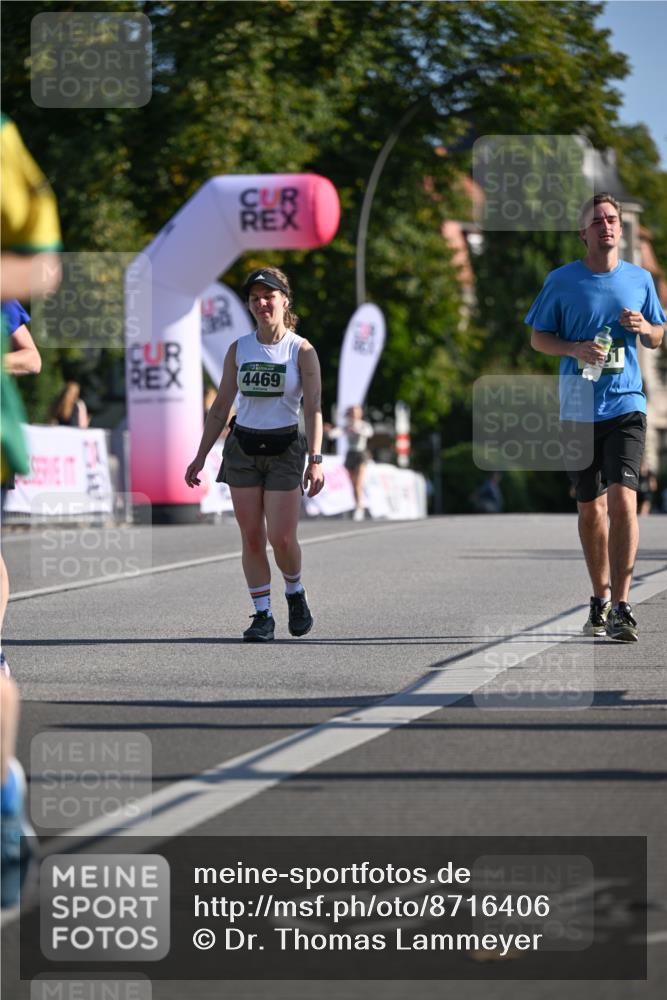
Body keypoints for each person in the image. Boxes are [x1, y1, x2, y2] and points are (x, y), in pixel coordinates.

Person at [526, 192, 665, 642]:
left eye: (612, 219)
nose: (606, 225)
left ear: (620, 230)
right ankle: (599, 598)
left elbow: (659, 335)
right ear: (583, 232)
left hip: (626, 403)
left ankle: (623, 605)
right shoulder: (562, 281)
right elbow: (538, 338)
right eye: (597, 220)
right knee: (591, 509)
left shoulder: (640, 279)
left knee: (625, 499)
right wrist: (574, 348)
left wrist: (645, 329)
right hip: (578, 407)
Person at [185, 267, 325, 642]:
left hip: (285, 450)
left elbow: (313, 408)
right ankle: (262, 615)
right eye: (254, 298)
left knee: (281, 538)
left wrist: (315, 459)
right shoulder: (240, 348)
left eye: (269, 296)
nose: (262, 303)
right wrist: (200, 456)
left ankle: (295, 593)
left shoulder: (302, 350)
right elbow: (220, 408)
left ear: (284, 300)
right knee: (251, 537)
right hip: (243, 447)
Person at [326, 405, 374, 521]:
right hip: (350, 454)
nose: (353, 414)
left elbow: (369, 433)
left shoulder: (362, 425)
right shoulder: (346, 426)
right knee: (353, 483)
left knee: (358, 482)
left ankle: (359, 507)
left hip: (361, 453)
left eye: (355, 412)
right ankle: (357, 504)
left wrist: (357, 430)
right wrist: (328, 431)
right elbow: (334, 434)